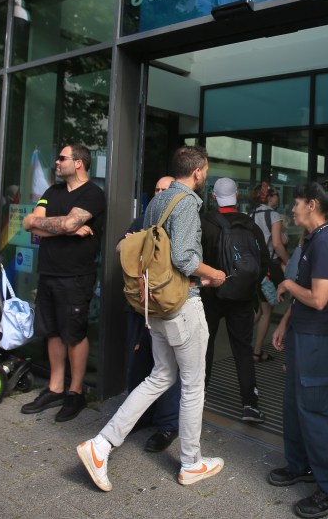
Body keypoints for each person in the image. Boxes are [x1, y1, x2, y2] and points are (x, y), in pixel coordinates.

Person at [77, 145, 226, 491]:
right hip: (180, 304)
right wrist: (214, 273)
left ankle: (100, 445)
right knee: (192, 384)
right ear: (199, 171)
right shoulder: (187, 202)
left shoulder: (157, 201)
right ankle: (190, 463)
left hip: (154, 302)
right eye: (206, 170)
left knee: (159, 376)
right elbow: (187, 260)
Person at [269, 181, 328, 519]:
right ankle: (300, 465)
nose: (292, 209)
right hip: (303, 333)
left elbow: (318, 299)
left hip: (318, 340)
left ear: (312, 204)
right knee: (295, 405)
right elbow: (307, 292)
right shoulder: (312, 239)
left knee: (317, 411)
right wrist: (286, 321)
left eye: (297, 202)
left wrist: (287, 284)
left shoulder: (326, 244)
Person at [20, 144, 107, 423]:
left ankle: (75, 392)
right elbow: (28, 224)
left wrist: (53, 226)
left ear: (79, 163)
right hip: (48, 273)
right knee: (52, 332)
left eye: (62, 158)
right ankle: (55, 388)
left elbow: (51, 224)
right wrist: (66, 227)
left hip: (76, 275)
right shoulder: (52, 192)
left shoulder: (93, 194)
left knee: (74, 334)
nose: (56, 162)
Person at [118, 175, 181, 453]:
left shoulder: (181, 220)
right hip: (139, 304)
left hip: (167, 306)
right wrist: (136, 243)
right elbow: (120, 248)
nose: (159, 193)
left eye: (164, 189)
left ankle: (168, 424)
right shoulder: (143, 218)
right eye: (155, 189)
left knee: (168, 367)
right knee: (140, 361)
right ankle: (142, 416)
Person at [200, 177, 269, 423]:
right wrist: (247, 286)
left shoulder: (205, 223)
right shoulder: (251, 225)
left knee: (204, 347)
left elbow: (196, 261)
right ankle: (250, 404)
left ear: (214, 197)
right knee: (242, 349)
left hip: (211, 296)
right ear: (237, 196)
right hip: (241, 298)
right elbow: (263, 261)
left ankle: (198, 398)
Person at [252, 182, 289, 362]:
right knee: (267, 310)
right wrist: (288, 262)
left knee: (259, 307)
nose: (278, 197)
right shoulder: (273, 215)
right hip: (269, 267)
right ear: (269, 197)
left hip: (254, 266)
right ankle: (256, 353)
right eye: (276, 194)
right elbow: (277, 244)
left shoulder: (251, 214)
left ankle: (242, 342)